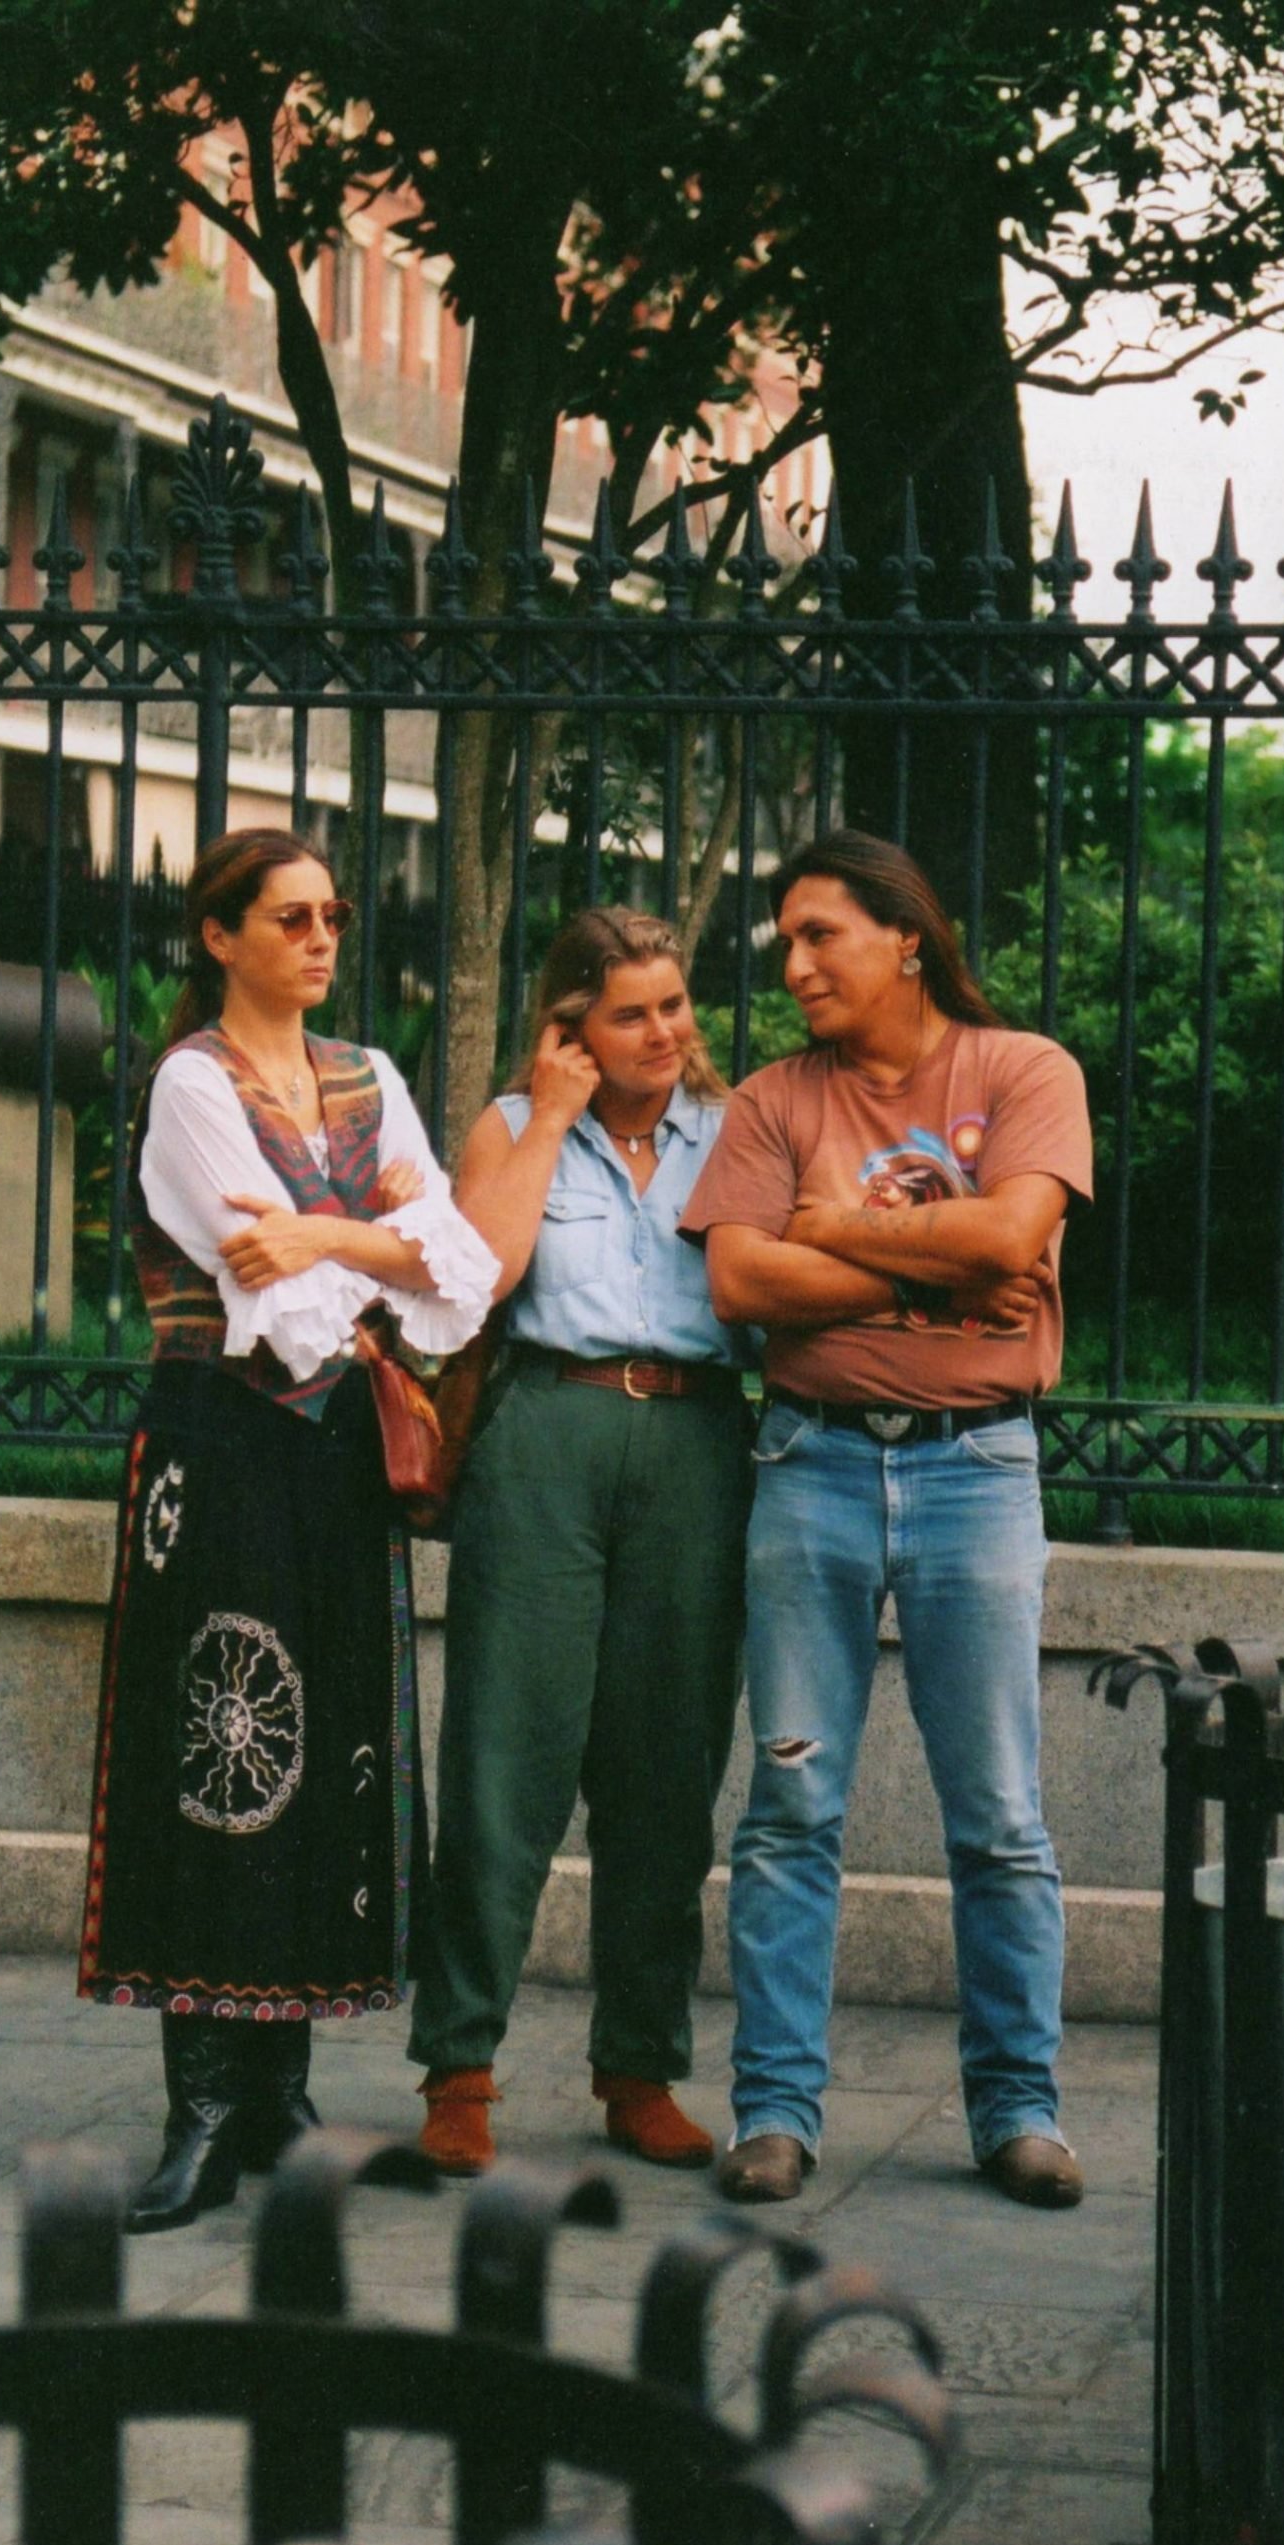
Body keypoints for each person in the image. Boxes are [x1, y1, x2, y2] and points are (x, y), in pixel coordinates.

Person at [78, 826, 498, 2233]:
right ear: (220, 936)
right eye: (290, 917)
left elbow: (461, 1277)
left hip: (331, 1466)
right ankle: (201, 2098)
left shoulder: (368, 1079)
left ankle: (282, 2092)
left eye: (332, 914)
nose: (322, 938)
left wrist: (328, 1238)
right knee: (220, 1741)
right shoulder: (190, 1086)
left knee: (332, 1753)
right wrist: (370, 1244)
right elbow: (274, 1308)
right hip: (220, 1446)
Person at [679, 828, 1093, 2209]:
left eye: (819, 936)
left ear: (903, 935)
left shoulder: (1022, 1071)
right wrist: (922, 1285)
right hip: (810, 1467)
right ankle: (774, 2113)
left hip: (977, 1471)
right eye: (782, 940)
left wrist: (832, 1229)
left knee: (998, 1817)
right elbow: (740, 1281)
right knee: (790, 1803)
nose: (790, 964)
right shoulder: (768, 1100)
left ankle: (1016, 2109)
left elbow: (1006, 1241)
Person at [406, 908, 755, 2175]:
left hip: (698, 1445)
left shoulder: (738, 1131)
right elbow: (475, 1282)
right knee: (505, 1755)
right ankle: (459, 2066)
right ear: (570, 1026)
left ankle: (640, 2067)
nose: (662, 1032)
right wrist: (549, 1116)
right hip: (546, 1430)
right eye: (629, 1013)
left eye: (674, 1005)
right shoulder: (512, 1129)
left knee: (668, 1770)